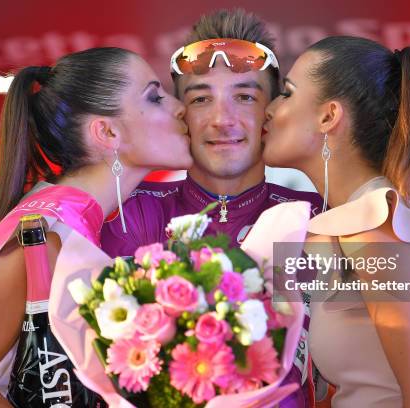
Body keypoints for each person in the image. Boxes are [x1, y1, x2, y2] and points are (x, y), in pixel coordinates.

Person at [0, 47, 192, 407]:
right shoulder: (48, 231)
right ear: (107, 132)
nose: (179, 108)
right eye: (155, 97)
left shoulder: (60, 216)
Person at [100, 9, 322, 407]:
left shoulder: (319, 219)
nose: (222, 119)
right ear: (180, 114)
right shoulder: (125, 216)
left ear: (271, 113)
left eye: (245, 97)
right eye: (201, 98)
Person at [263, 35, 410, 407]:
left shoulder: (372, 221)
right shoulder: (361, 220)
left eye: (287, 93)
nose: (269, 109)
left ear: (329, 116)